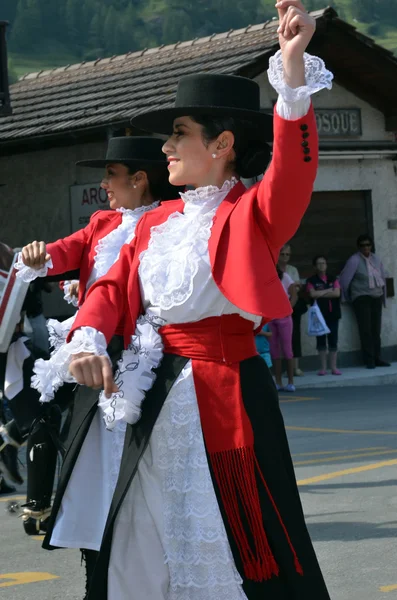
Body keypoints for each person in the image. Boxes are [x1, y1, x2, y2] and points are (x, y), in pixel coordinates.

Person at [57, 2, 333, 598]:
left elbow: (292, 171)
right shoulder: (153, 223)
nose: (165, 148)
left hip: (227, 393)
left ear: (224, 143)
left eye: (178, 134)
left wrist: (290, 71)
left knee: (237, 538)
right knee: (135, 533)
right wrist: (87, 338)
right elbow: (110, 290)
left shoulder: (251, 213)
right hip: (152, 393)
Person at [15, 136, 181, 598]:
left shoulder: (172, 221)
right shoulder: (102, 222)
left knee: (137, 473)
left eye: (111, 174)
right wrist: (37, 256)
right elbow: (63, 253)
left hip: (151, 360)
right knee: (66, 439)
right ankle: (45, 511)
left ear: (139, 179)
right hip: (94, 353)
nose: (104, 183)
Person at [339, 234, 389, 369]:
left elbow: (382, 278)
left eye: (368, 245)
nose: (366, 247)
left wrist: (383, 299)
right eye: (363, 245)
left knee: (375, 330)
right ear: (359, 247)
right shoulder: (354, 260)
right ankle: (369, 360)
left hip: (376, 296)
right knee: (365, 329)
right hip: (361, 297)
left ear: (371, 246)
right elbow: (344, 279)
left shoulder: (376, 259)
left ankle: (377, 358)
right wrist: (346, 297)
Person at [306, 255, 342, 375]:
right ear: (315, 266)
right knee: (321, 341)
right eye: (319, 263)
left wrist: (320, 293)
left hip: (333, 314)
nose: (322, 265)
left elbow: (336, 293)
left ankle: (334, 367)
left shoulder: (333, 278)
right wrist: (328, 291)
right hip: (319, 316)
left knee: (333, 341)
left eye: (324, 263)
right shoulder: (311, 281)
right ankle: (323, 368)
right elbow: (312, 294)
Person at [278, 243, 306, 376]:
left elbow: (297, 288)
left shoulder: (292, 270)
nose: (285, 257)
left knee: (295, 335)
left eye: (287, 254)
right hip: (278, 306)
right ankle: (283, 368)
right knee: (279, 337)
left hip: (293, 305)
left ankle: (296, 366)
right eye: (282, 254)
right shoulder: (274, 268)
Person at [269, 266, 298, 391]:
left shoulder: (285, 277)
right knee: (274, 349)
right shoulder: (265, 278)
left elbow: (294, 295)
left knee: (287, 349)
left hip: (284, 316)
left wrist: (288, 309)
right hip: (270, 316)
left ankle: (291, 382)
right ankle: (278, 381)